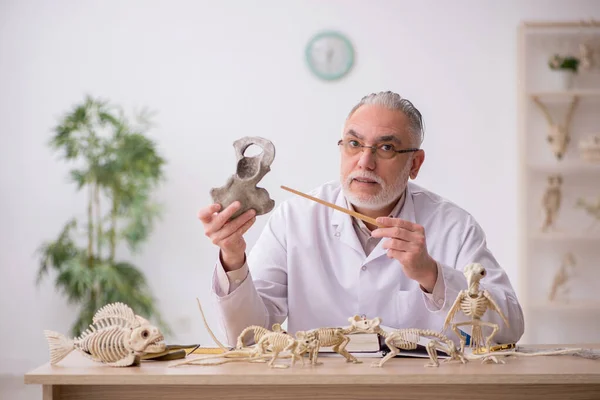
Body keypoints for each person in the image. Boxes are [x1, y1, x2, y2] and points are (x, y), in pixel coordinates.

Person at [198, 91, 524, 348]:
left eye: (385, 148)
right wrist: (232, 257)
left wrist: (432, 275)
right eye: (354, 144)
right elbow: (247, 337)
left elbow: (509, 328)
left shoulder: (454, 226)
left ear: (415, 164)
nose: (364, 162)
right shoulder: (295, 218)